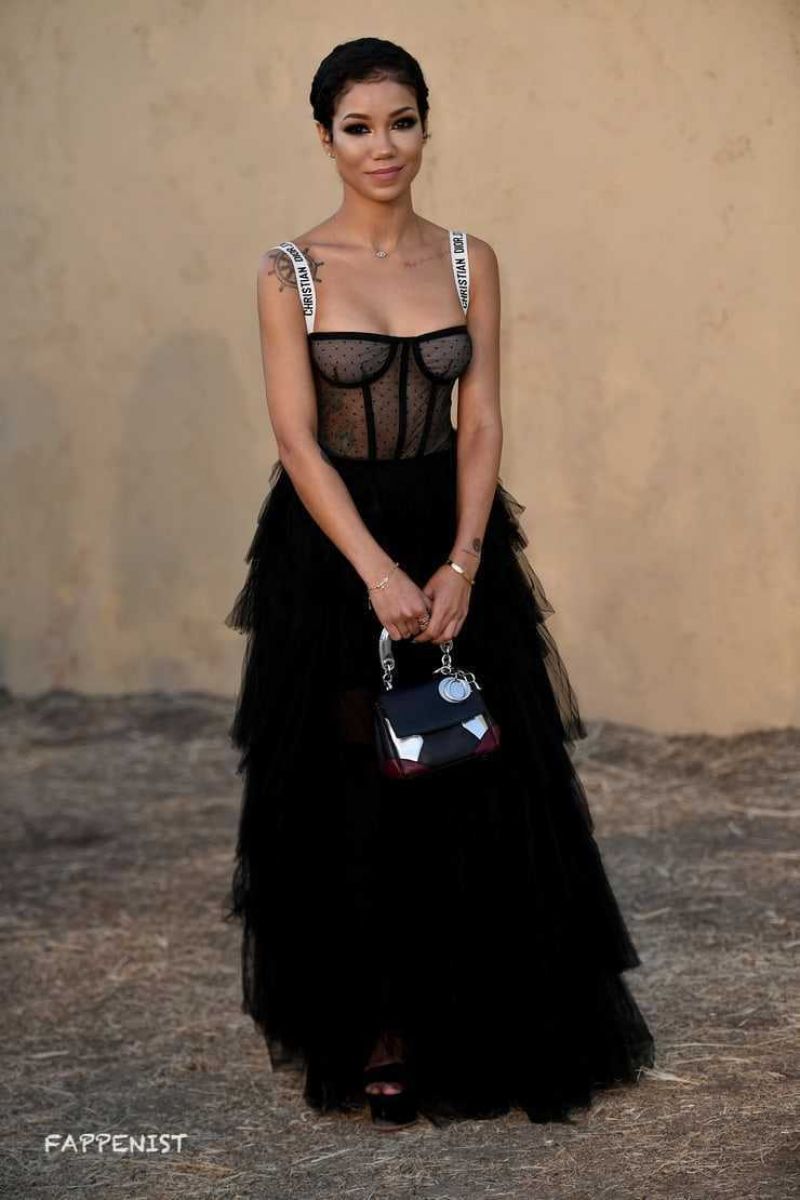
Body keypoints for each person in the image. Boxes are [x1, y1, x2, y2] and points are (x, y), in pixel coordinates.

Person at [224, 36, 655, 1132]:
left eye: (402, 121)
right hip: (334, 551)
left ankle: (480, 1017)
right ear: (324, 138)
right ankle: (377, 1026)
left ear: (425, 125)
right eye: (358, 127)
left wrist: (462, 560)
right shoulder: (289, 271)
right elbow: (296, 438)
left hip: (454, 534)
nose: (384, 146)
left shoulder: (469, 260)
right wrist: (377, 572)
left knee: (476, 773)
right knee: (353, 784)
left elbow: (484, 418)